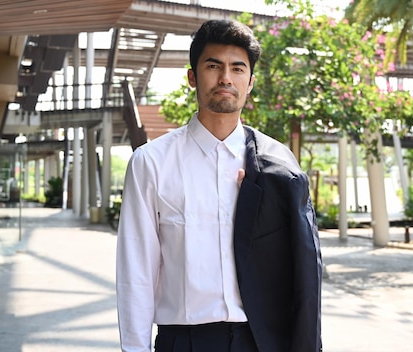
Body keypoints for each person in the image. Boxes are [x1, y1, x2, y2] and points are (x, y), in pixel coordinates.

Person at [116, 20, 322, 352]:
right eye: (214, 66)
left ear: (250, 82)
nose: (226, 77)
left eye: (237, 69)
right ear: (192, 77)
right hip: (184, 341)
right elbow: (136, 271)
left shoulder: (277, 162)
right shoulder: (151, 163)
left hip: (261, 339)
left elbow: (304, 265)